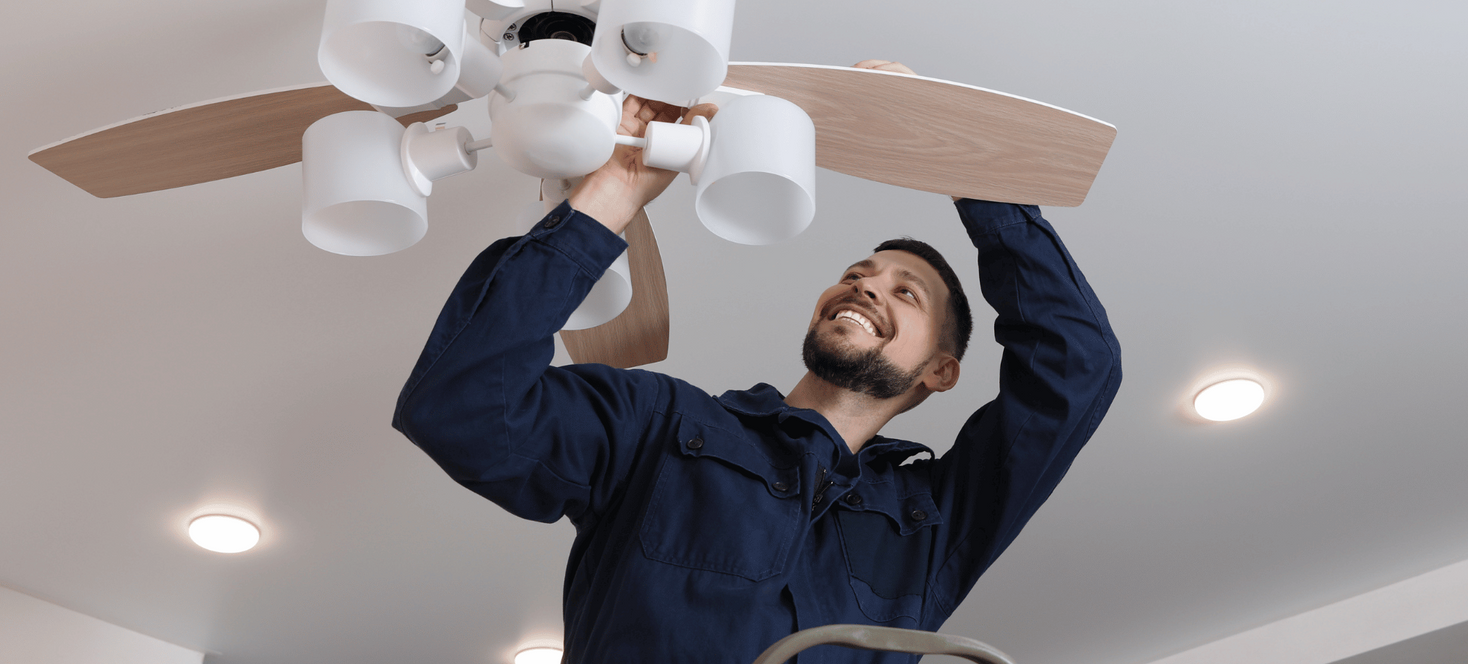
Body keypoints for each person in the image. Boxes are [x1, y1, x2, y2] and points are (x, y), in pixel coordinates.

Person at [393, 62, 1121, 663]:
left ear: (940, 369)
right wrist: (608, 196)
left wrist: (955, 160)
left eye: (907, 291)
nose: (866, 284)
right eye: (859, 272)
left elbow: (1076, 365)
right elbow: (461, 410)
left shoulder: (933, 524)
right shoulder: (659, 427)